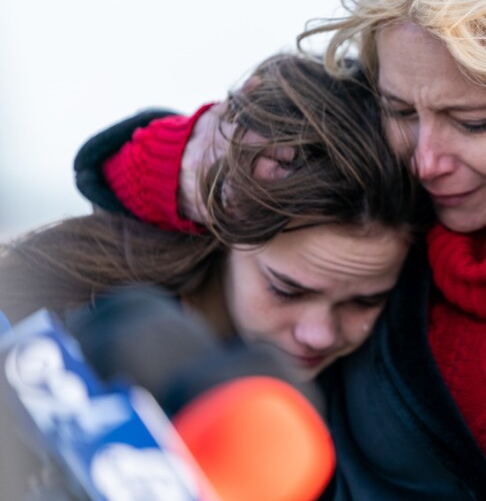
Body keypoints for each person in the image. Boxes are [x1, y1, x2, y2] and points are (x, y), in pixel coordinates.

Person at [71, 0, 486, 497]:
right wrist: (196, 164)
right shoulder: (383, 203)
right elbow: (118, 167)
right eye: (399, 110)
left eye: (472, 122)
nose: (425, 161)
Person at [0, 53, 424, 384]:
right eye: (286, 291)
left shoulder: (378, 376)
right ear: (227, 228)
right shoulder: (60, 316)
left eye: (364, 301)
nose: (319, 335)